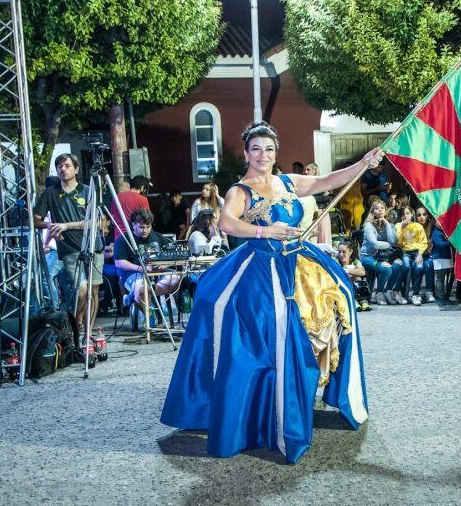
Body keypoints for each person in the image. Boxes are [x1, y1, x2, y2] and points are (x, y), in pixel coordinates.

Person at [161, 121, 378, 463]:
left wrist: (362, 163)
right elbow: (227, 223)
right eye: (257, 149)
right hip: (261, 265)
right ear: (247, 153)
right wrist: (267, 232)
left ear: (276, 153)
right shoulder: (240, 189)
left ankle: (304, 389)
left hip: (299, 261)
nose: (263, 155)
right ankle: (263, 407)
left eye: (270, 149)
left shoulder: (288, 182)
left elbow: (325, 182)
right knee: (269, 328)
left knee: (342, 299)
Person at [34, 153, 104, 333]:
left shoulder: (88, 190)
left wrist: (66, 226)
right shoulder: (50, 193)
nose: (63, 169)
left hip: (93, 246)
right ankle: (77, 324)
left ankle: (87, 332)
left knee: (93, 292)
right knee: (82, 290)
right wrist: (51, 226)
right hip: (70, 250)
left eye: (67, 166)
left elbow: (97, 223)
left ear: (76, 169)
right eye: (59, 166)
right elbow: (35, 220)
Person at [114, 208, 181, 316]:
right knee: (141, 288)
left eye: (148, 226)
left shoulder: (158, 237)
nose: (145, 230)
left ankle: (135, 296)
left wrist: (163, 265)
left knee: (176, 279)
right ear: (133, 225)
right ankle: (149, 316)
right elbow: (119, 262)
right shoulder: (124, 239)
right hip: (135, 273)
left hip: (157, 273)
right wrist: (141, 268)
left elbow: (171, 257)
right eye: (141, 227)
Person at [360, 200, 404, 305]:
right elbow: (375, 244)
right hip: (369, 257)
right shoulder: (368, 226)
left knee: (399, 264)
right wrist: (388, 244)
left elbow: (393, 241)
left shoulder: (390, 224)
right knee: (387, 268)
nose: (380, 210)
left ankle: (387, 291)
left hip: (385, 256)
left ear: (385, 211)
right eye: (376, 208)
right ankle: (379, 292)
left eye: (382, 208)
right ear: (372, 212)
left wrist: (387, 224)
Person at [395, 205, 427, 306]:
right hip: (405, 251)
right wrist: (402, 228)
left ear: (411, 214)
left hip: (417, 251)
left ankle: (415, 294)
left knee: (419, 267)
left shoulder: (418, 226)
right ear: (401, 216)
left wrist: (420, 254)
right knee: (405, 266)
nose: (405, 216)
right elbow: (398, 242)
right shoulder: (398, 226)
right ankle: (396, 290)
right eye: (403, 214)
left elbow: (423, 242)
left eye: (407, 213)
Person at [110, 175, 151, 239]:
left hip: (118, 236)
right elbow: (147, 220)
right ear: (142, 187)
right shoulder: (142, 199)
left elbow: (113, 220)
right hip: (134, 237)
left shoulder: (116, 198)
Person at [336, 240, 371, 312]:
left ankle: (363, 300)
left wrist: (348, 270)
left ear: (350, 252)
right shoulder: (336, 260)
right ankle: (353, 301)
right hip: (342, 286)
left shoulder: (355, 261)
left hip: (355, 285)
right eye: (339, 252)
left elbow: (363, 272)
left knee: (357, 276)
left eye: (344, 252)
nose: (341, 254)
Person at [414, 207, 437, 303]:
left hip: (429, 254)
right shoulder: (413, 226)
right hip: (416, 254)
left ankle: (429, 292)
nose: (422, 217)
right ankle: (415, 294)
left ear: (428, 215)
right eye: (419, 215)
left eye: (424, 214)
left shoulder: (432, 225)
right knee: (419, 268)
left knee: (429, 265)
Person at [430, 221, 455, 306]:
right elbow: (440, 245)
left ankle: (442, 296)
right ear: (434, 222)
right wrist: (450, 241)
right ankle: (440, 298)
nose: (441, 223)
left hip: (444, 258)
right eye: (438, 221)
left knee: (442, 278)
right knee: (440, 279)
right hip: (439, 258)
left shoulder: (442, 232)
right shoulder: (436, 233)